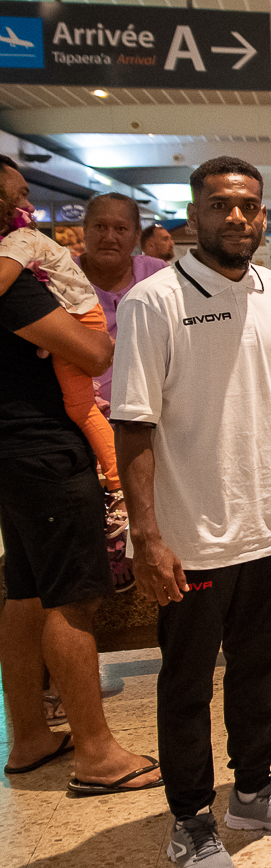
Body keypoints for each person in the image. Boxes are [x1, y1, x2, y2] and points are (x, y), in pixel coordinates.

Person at [111, 156, 271, 868]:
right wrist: (148, 536)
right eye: (220, 205)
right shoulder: (153, 302)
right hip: (193, 538)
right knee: (186, 684)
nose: (237, 217)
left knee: (258, 672)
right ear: (194, 215)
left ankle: (253, 793)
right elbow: (133, 424)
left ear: (263, 215)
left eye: (249, 206)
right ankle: (190, 818)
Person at [0, 155, 162, 796]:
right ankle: (96, 753)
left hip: (15, 452)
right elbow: (94, 352)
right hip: (46, 450)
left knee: (25, 592)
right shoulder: (14, 279)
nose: (27, 208)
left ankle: (30, 735)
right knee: (73, 598)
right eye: (16, 196)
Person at [0, 202, 120, 515]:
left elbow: (98, 356)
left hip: (79, 317)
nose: (28, 205)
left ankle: (118, 483)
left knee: (82, 408)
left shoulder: (19, 240)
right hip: (34, 452)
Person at [78, 195, 169, 404]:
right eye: (100, 227)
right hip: (78, 411)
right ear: (85, 228)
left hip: (148, 410)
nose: (109, 237)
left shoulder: (157, 273)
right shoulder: (61, 275)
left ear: (137, 235)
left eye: (120, 229)